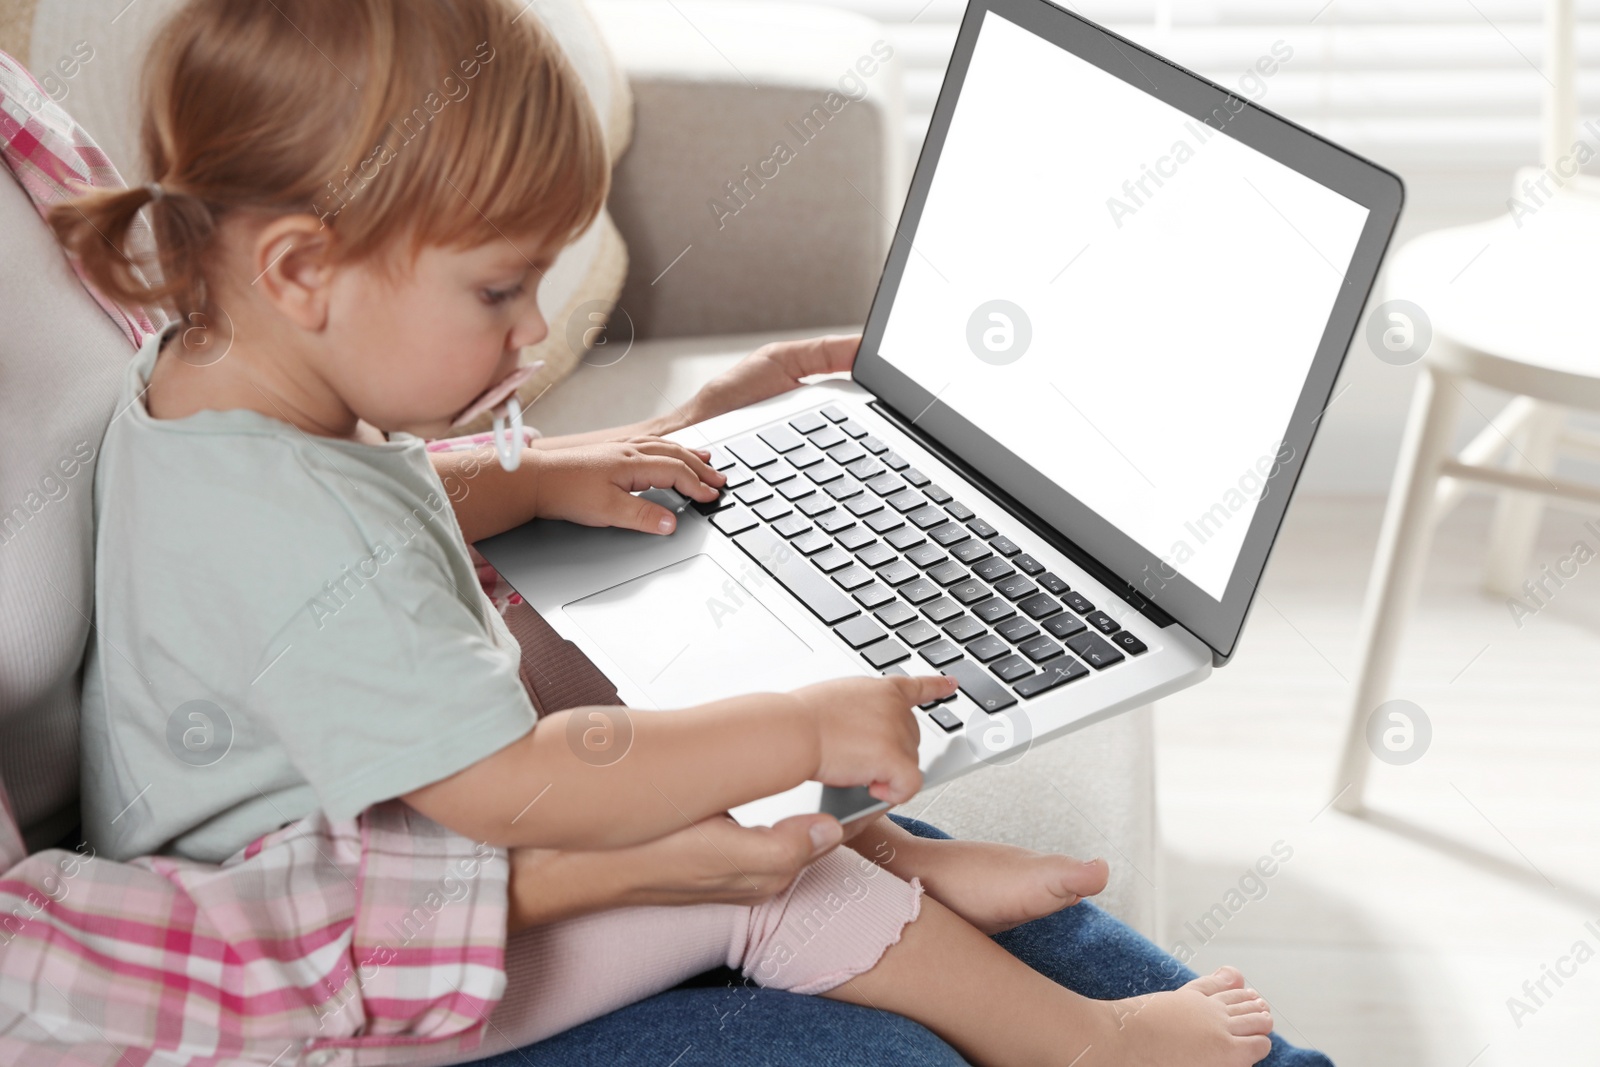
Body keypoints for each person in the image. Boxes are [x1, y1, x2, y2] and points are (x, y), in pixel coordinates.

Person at [51, 1, 1328, 1063]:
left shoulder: (213, 372)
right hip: (357, 987)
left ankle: (895, 856)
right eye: (497, 288)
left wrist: (529, 474)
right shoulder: (297, 525)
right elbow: (510, 786)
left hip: (337, 833)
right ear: (295, 267)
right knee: (762, 881)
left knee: (549, 644)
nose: (533, 335)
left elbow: (353, 533)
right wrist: (803, 726)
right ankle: (1085, 1040)